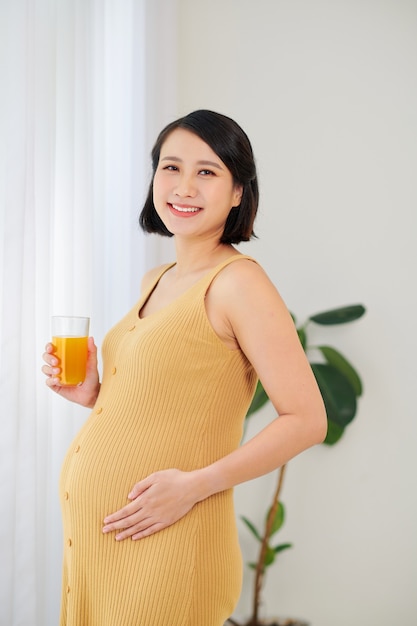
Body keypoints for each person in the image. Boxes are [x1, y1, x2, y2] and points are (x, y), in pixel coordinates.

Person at [42, 109, 327, 626]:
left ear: (238, 192)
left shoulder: (239, 283)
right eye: (171, 167)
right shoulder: (159, 277)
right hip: (105, 551)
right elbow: (169, 403)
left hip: (168, 549)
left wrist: (194, 486)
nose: (184, 186)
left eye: (207, 171)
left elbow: (307, 419)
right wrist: (94, 394)